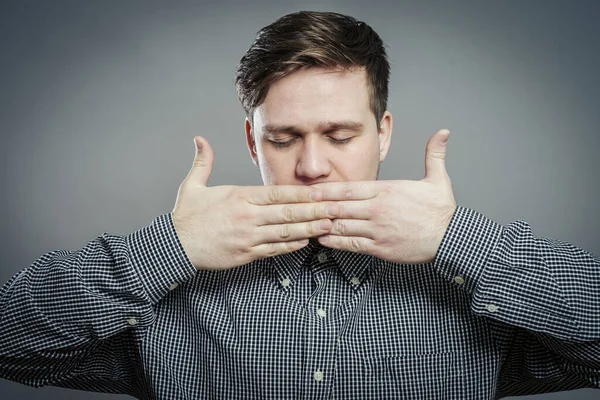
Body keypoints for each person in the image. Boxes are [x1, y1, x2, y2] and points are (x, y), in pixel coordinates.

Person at [0, 10, 598, 399]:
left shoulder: (470, 281)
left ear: (384, 132)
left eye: (340, 136)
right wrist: (164, 252)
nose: (311, 167)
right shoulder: (166, 289)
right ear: (250, 141)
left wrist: (464, 243)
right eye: (282, 139)